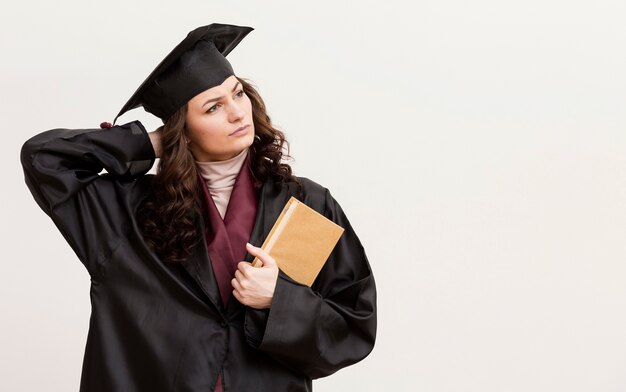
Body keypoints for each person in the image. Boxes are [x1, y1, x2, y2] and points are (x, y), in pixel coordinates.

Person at [20, 23, 376, 392]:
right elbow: (43, 159)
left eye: (238, 94)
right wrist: (149, 142)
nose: (238, 113)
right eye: (213, 107)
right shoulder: (125, 213)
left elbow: (354, 325)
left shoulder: (307, 205)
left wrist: (280, 300)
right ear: (183, 129)